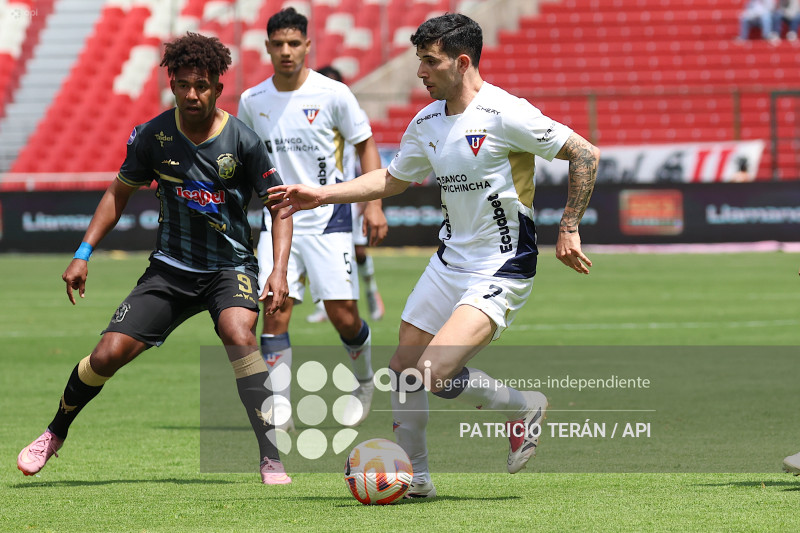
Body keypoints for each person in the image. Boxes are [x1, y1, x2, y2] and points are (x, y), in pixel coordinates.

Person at [268, 13, 600, 497]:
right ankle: (418, 480)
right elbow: (393, 179)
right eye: (418, 60)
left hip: (501, 264)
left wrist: (568, 227)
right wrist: (322, 195)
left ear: (462, 62)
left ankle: (522, 405)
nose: (420, 72)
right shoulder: (426, 120)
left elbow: (585, 153)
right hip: (449, 262)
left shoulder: (506, 113)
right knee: (403, 370)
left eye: (429, 61)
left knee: (433, 372)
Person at [16, 33, 294, 485]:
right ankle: (54, 433)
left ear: (218, 87)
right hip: (170, 270)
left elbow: (280, 206)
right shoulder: (153, 136)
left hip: (230, 268)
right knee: (106, 355)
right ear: (171, 82)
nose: (191, 94)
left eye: (201, 85)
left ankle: (270, 456)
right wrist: (82, 253)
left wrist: (279, 270)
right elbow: (117, 193)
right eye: (183, 84)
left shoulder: (243, 140)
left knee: (237, 332)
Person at [237, 8, 387, 431]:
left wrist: (373, 204)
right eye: (278, 44)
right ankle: (279, 403)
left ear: (307, 46)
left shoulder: (333, 94)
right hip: (276, 220)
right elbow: (244, 159)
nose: (286, 51)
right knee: (275, 308)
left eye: (294, 43)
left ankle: (363, 382)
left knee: (343, 316)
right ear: (267, 48)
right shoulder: (252, 101)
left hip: (328, 220)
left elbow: (365, 143)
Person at [306, 65, 385, 324]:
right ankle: (324, 304)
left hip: (347, 192)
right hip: (316, 193)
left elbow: (364, 152)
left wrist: (367, 199)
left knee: (358, 251)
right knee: (318, 248)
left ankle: (371, 291)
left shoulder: (350, 111)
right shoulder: (307, 113)